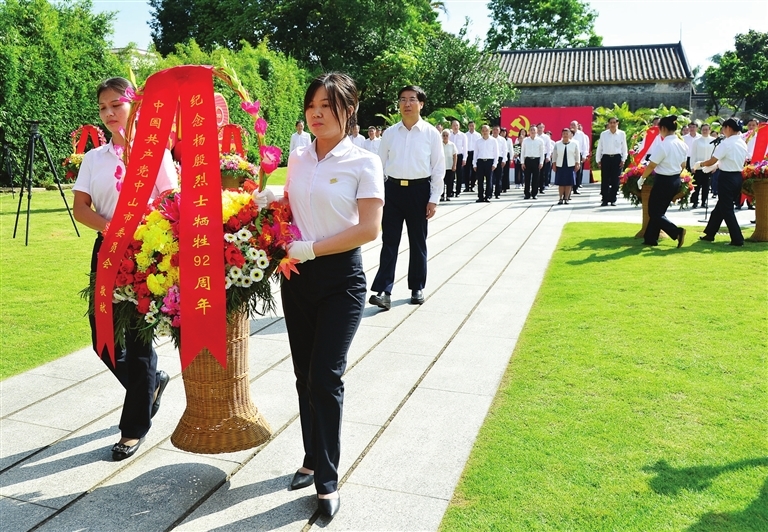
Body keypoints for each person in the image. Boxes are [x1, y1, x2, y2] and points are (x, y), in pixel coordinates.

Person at [282, 72, 385, 518]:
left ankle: (327, 479)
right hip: (296, 278)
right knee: (304, 375)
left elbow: (369, 228)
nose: (317, 113)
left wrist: (312, 248)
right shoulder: (299, 156)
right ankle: (311, 457)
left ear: (349, 109)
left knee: (325, 377)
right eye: (312, 105)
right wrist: (271, 200)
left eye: (328, 105)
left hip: (341, 280)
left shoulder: (364, 162)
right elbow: (296, 203)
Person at [72, 77, 175, 461]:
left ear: (135, 106)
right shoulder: (94, 158)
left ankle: (133, 429)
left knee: (138, 340)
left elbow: (170, 200)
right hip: (107, 250)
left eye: (116, 104)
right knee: (103, 339)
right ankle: (151, 384)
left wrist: (144, 229)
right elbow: (81, 208)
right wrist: (112, 227)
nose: (109, 113)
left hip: (144, 255)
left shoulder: (155, 153)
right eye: (103, 108)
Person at [369, 85, 444, 309]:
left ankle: (417, 287)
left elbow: (438, 168)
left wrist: (434, 198)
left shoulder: (431, 133)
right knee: (389, 241)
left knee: (418, 241)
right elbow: (379, 165)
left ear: (421, 104)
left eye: (412, 99)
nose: (407, 104)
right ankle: (384, 291)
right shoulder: (390, 133)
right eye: (402, 99)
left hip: (419, 192)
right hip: (392, 191)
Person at [696, 118, 747, 246]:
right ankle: (710, 233)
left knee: (726, 209)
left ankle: (737, 238)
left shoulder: (726, 143)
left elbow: (712, 160)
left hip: (727, 178)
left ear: (728, 128)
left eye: (723, 128)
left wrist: (700, 164)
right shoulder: (742, 142)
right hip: (737, 177)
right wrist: (716, 165)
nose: (723, 131)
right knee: (720, 207)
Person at [639, 115, 688, 247]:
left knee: (654, 212)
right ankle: (650, 238)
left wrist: (642, 178)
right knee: (659, 211)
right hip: (675, 179)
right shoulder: (682, 144)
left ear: (664, 128)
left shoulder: (663, 145)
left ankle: (676, 232)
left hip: (663, 181)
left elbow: (651, 165)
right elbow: (683, 165)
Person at [596, 117, 627, 206]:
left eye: (614, 122)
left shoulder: (621, 134)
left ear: (617, 123)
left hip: (617, 158)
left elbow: (624, 148)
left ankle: (613, 199)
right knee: (605, 179)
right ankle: (605, 199)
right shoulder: (604, 134)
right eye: (611, 123)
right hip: (606, 158)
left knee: (615, 179)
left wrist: (623, 159)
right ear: (608, 124)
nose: (612, 124)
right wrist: (598, 160)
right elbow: (600, 147)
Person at [552, 127, 580, 205]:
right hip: (560, 165)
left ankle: (566, 198)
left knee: (568, 182)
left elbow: (577, 155)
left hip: (570, 165)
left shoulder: (574, 144)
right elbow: (554, 155)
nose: (565, 135)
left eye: (567, 133)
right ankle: (561, 198)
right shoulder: (557, 144)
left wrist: (577, 163)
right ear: (561, 134)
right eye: (564, 133)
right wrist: (554, 164)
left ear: (570, 134)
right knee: (561, 183)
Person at [473, 124, 499, 203]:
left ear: (489, 131)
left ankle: (488, 196)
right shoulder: (478, 141)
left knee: (489, 180)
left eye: (486, 130)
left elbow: (496, 153)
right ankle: (480, 196)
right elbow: (475, 153)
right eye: (483, 131)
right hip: (480, 161)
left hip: (489, 161)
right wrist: (474, 164)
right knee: (480, 180)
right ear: (481, 131)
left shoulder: (493, 141)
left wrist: (495, 163)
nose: (485, 132)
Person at [690, 123, 715, 208]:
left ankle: (704, 202)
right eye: (703, 129)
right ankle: (695, 202)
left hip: (708, 167)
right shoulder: (696, 141)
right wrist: (692, 166)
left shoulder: (713, 141)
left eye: (706, 129)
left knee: (706, 186)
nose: (705, 131)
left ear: (710, 130)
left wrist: (714, 166)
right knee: (697, 185)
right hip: (698, 167)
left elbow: (715, 155)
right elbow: (693, 154)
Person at [521, 125, 544, 199]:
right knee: (527, 178)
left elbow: (542, 152)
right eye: (531, 130)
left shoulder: (540, 141)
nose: (532, 131)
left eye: (534, 130)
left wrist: (541, 162)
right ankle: (527, 194)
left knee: (536, 178)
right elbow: (523, 152)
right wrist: (522, 162)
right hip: (527, 160)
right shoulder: (525, 140)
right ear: (529, 131)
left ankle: (534, 193)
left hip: (536, 160)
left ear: (536, 131)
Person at [570, 120, 589, 194]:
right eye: (571, 125)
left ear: (577, 126)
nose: (572, 126)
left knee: (578, 171)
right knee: (570, 171)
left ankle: (576, 188)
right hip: (569, 154)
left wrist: (584, 155)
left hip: (578, 154)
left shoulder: (581, 134)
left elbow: (584, 145)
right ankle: (569, 187)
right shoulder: (568, 133)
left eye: (574, 125)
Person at [448, 120, 467, 197]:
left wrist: (464, 158)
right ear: (451, 126)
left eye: (457, 125)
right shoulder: (449, 135)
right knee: (451, 175)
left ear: (459, 126)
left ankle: (458, 191)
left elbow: (465, 148)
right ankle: (450, 191)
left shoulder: (463, 135)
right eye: (454, 125)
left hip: (459, 156)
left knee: (459, 174)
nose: (455, 127)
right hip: (450, 156)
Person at [464, 121, 481, 192]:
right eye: (470, 126)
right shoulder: (465, 135)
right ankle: (467, 186)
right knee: (466, 170)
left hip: (475, 153)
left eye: (472, 126)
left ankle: (473, 185)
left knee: (474, 170)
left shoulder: (478, 135)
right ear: (468, 126)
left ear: (475, 126)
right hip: (467, 153)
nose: (471, 127)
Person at [441, 129, 458, 201]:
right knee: (441, 182)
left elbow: (455, 155)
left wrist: (454, 165)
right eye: (444, 135)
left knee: (450, 181)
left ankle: (448, 195)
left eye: (447, 135)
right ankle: (441, 196)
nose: (445, 137)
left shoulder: (452, 145)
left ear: (449, 136)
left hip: (450, 166)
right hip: (441, 167)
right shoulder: (439, 145)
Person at [537, 123, 553, 193]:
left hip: (544, 155)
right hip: (536, 155)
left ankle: (542, 187)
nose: (540, 129)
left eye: (541, 128)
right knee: (536, 172)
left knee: (543, 172)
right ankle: (535, 187)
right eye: (538, 128)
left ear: (543, 128)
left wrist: (548, 156)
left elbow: (549, 148)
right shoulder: (534, 136)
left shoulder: (546, 137)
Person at [491, 125, 506, 199]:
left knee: (498, 177)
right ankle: (489, 192)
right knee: (490, 177)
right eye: (494, 129)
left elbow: (505, 150)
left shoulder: (502, 140)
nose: (495, 131)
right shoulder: (489, 138)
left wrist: (504, 160)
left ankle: (497, 193)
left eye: (497, 130)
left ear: (499, 131)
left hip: (499, 159)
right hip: (491, 158)